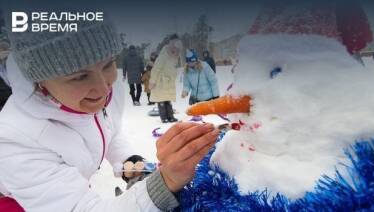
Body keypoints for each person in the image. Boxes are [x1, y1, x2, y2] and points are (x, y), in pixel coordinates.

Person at [0, 20, 219, 211]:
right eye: (79, 77)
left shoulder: (103, 93)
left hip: (69, 185)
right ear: (39, 81)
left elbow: (109, 129)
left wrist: (127, 160)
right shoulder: (14, 137)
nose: (104, 89)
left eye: (107, 64)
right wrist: (164, 183)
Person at [149, 34, 181, 123]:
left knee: (168, 100)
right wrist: (152, 81)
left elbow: (173, 67)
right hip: (161, 82)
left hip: (169, 82)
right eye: (173, 43)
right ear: (170, 43)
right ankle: (164, 118)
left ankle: (170, 116)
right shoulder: (164, 54)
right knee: (162, 100)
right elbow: (156, 68)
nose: (175, 45)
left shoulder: (175, 55)